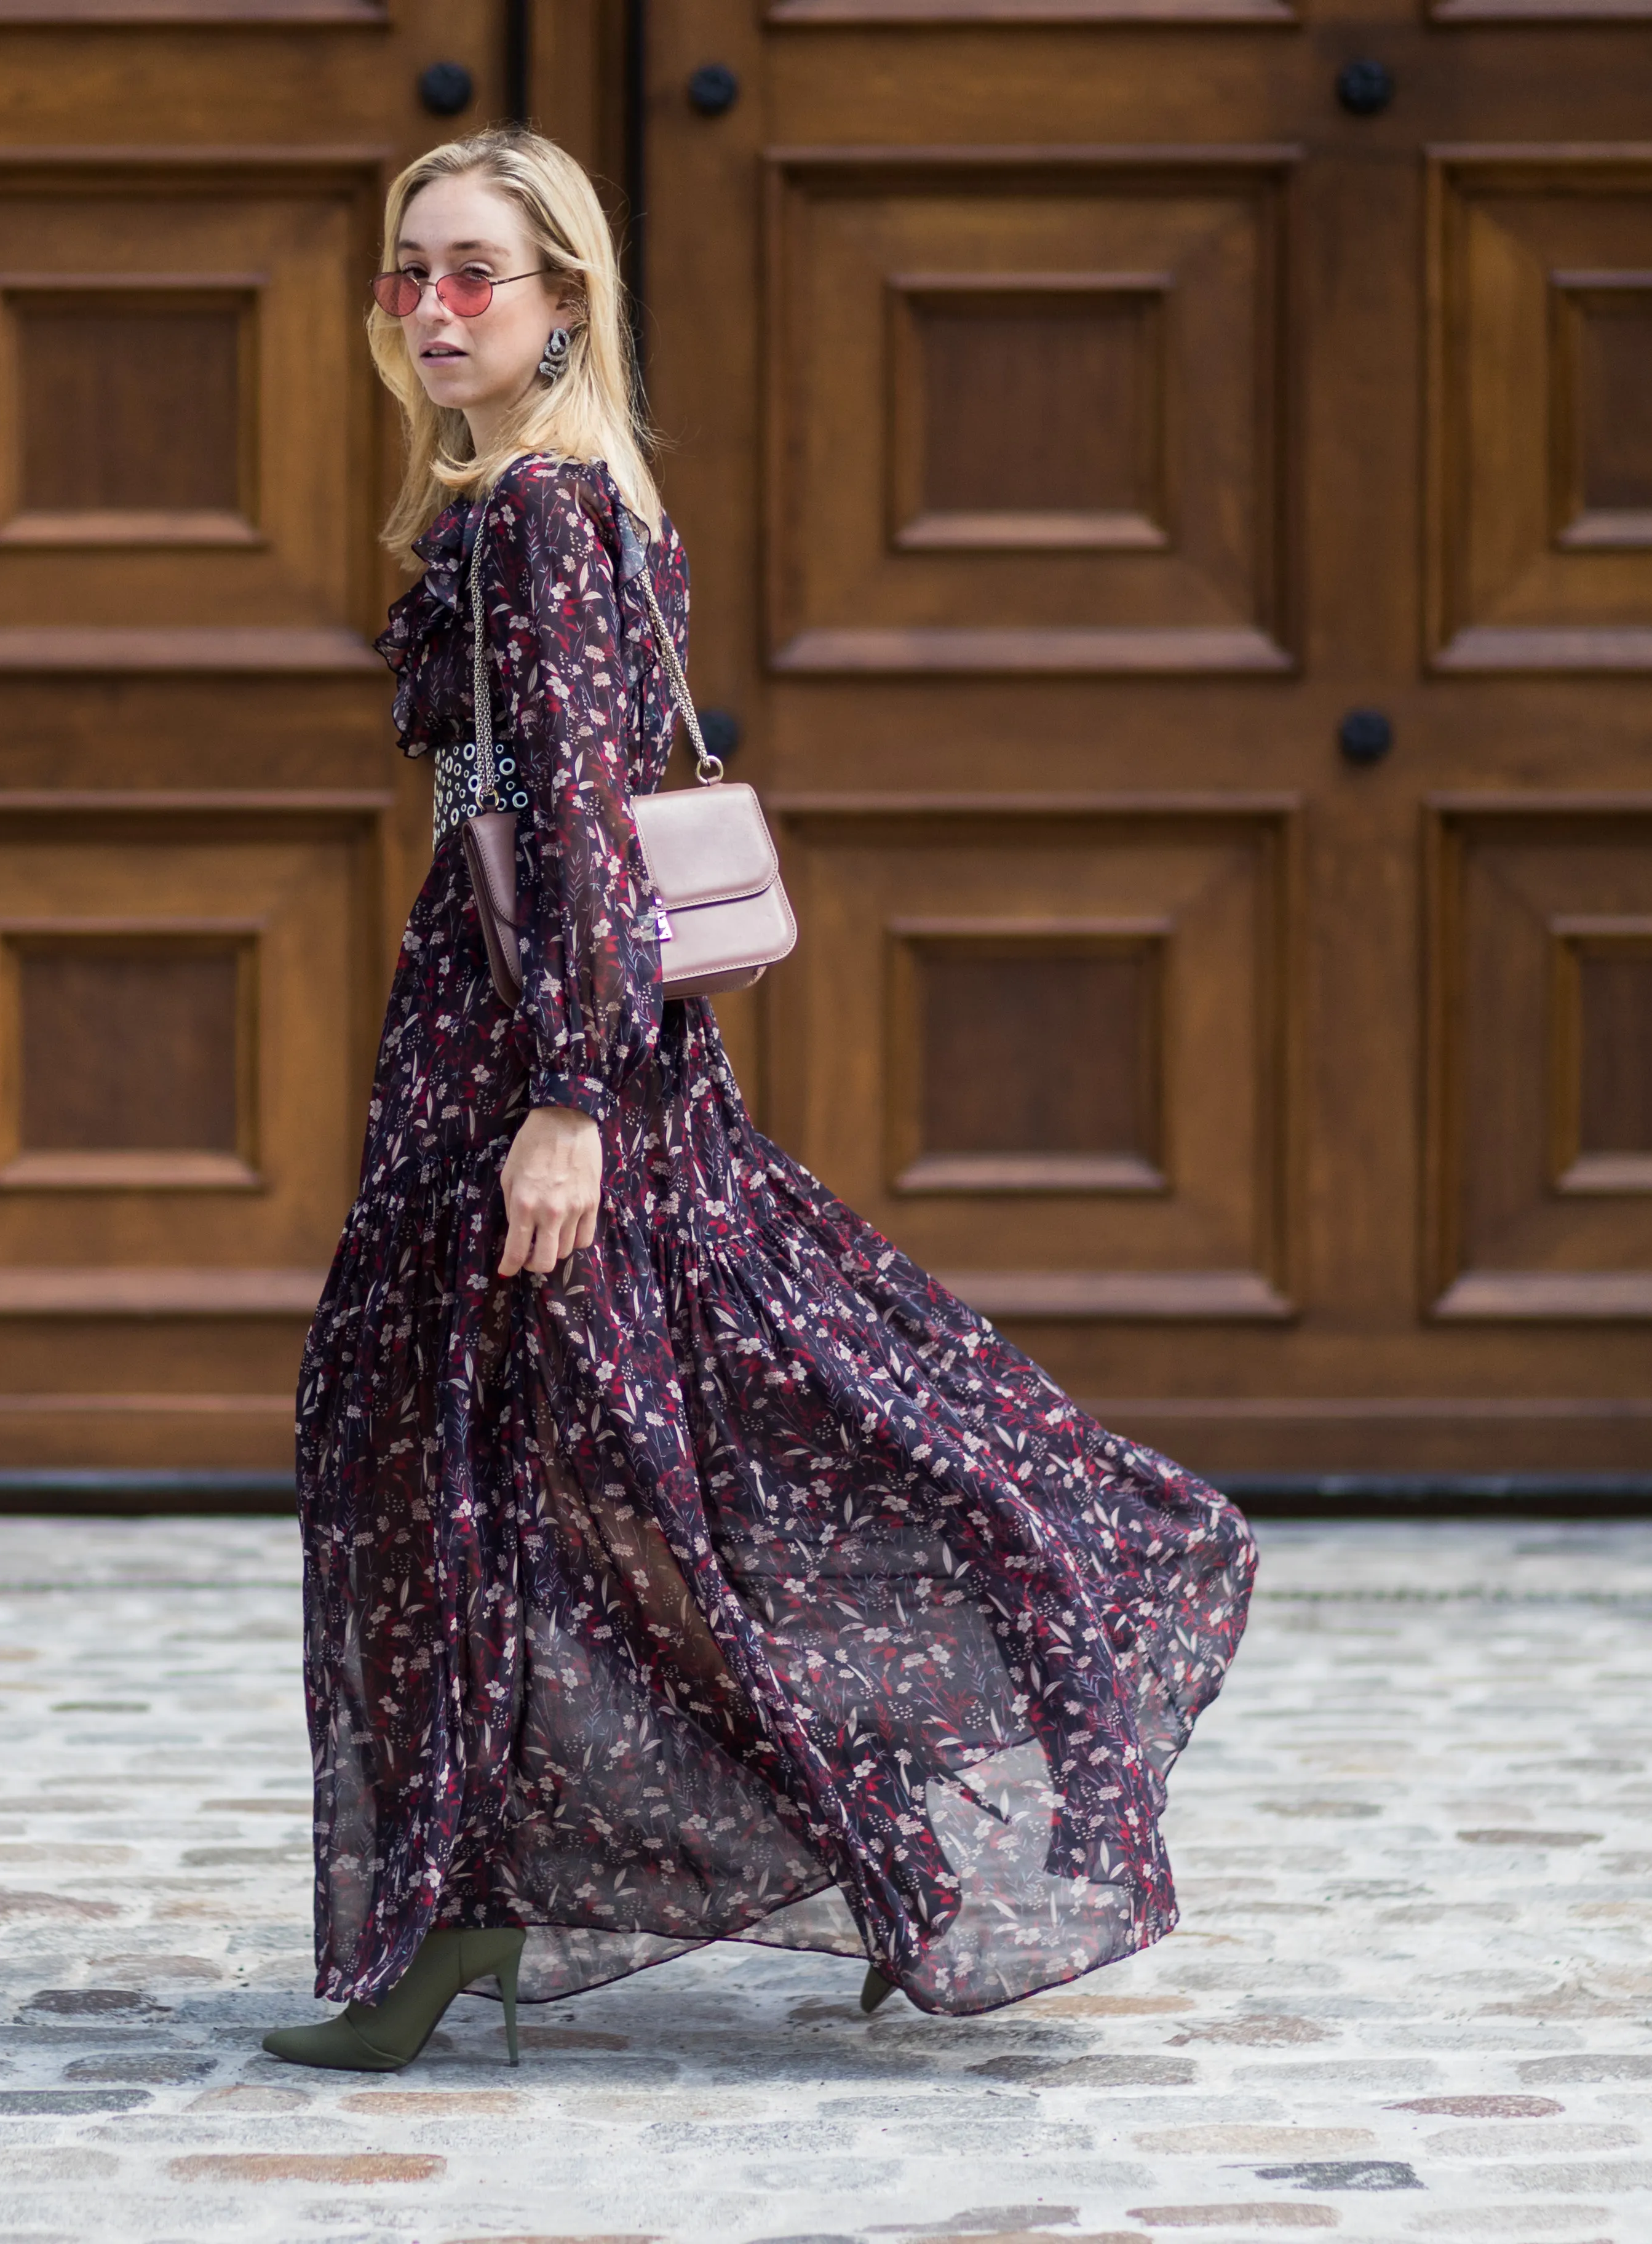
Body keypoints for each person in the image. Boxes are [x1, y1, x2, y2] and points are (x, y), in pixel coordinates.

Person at [269, 127, 1257, 2074]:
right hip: (558, 1050)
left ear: (567, 303)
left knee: (519, 1470)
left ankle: (517, 1903)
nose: (434, 309)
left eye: (478, 273)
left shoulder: (541, 519)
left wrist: (565, 1103)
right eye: (410, 273)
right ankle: (517, 1898)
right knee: (584, 1471)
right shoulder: (574, 504)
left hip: (534, 1064)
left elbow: (577, 829)